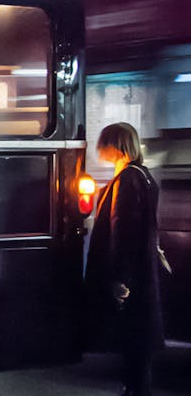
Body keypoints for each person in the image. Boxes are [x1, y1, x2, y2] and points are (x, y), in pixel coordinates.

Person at [86, 122, 164, 396]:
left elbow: (123, 230)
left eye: (103, 143)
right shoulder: (143, 175)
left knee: (133, 341)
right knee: (139, 342)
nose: (99, 149)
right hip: (144, 272)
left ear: (116, 146)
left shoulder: (127, 180)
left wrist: (120, 278)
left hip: (131, 276)